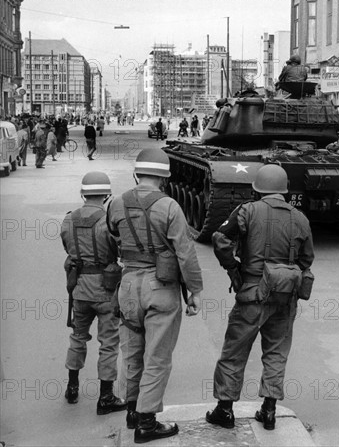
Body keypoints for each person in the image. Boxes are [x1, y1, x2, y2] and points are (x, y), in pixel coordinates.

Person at [206, 164, 314, 431]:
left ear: (258, 189)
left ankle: (225, 410)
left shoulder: (247, 211)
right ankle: (269, 410)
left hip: (252, 293)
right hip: (285, 297)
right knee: (276, 352)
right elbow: (306, 259)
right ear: (284, 190)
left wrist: (233, 268)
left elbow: (220, 238)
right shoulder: (300, 218)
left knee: (234, 351)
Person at [106, 148, 203, 443]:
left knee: (132, 352)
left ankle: (133, 411)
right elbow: (185, 254)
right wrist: (195, 290)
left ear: (137, 173)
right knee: (157, 357)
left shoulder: (116, 203)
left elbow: (111, 239)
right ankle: (147, 423)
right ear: (164, 177)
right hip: (160, 288)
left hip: (128, 286)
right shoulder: (170, 206)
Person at [61, 172, 126, 414]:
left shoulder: (68, 220)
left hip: (79, 288)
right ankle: (106, 397)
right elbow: (119, 249)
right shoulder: (107, 221)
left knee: (78, 337)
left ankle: (72, 387)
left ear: (82, 193)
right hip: (106, 289)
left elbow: (67, 247)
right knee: (108, 343)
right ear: (107, 194)